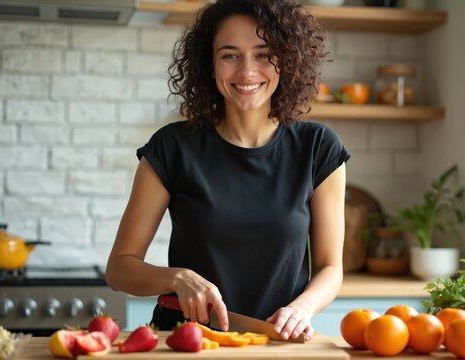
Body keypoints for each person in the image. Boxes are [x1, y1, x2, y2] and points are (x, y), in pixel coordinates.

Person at [106, 0, 350, 341]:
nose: (247, 72)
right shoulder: (172, 147)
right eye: (230, 55)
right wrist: (177, 277)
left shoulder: (318, 148)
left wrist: (302, 308)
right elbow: (120, 268)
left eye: (264, 54)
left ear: (288, 60)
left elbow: (330, 268)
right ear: (210, 65)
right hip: (185, 342)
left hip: (274, 342)